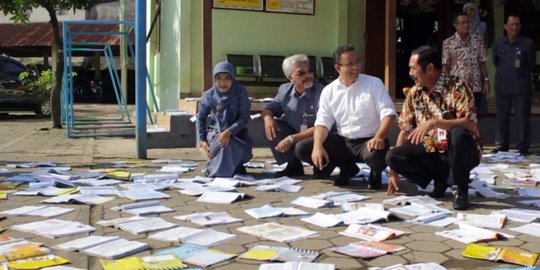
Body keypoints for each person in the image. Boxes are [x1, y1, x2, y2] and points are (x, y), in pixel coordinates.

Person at [386, 46, 481, 210]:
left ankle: (460, 190)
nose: (410, 73)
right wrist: (393, 172)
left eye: (413, 68)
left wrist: (435, 122)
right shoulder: (415, 93)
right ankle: (442, 179)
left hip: (459, 152)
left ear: (429, 68)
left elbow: (470, 124)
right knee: (393, 156)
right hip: (432, 150)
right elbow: (405, 129)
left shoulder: (457, 87)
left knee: (459, 134)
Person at [296, 45, 396, 188]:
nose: (355, 67)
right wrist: (318, 146)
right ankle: (347, 167)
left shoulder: (374, 83)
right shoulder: (329, 91)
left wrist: (379, 136)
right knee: (303, 148)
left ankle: (375, 173)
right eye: (350, 64)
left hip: (369, 141)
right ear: (338, 68)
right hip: (343, 142)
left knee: (376, 156)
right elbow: (323, 122)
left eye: (357, 62)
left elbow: (388, 113)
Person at [262, 54, 330, 178]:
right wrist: (268, 119)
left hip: (322, 136)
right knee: (273, 126)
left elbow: (323, 125)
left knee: (302, 147)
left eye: (309, 71)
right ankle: (293, 165)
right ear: (290, 78)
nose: (308, 76)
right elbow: (269, 108)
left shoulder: (322, 92)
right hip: (299, 131)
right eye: (301, 73)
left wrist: (292, 138)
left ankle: (325, 163)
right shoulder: (284, 90)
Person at [196, 61, 253, 177]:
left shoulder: (240, 92)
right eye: (218, 78)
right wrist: (202, 140)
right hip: (215, 135)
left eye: (227, 78)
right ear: (214, 79)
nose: (223, 82)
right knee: (223, 144)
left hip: (239, 135)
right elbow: (200, 118)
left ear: (232, 78)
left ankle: (214, 169)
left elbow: (244, 118)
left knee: (230, 144)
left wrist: (229, 132)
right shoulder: (208, 95)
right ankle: (232, 169)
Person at [492, 14, 535, 156]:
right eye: (511, 24)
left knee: (522, 119)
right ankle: (502, 146)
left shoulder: (527, 44)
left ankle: (523, 148)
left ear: (520, 26)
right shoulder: (498, 43)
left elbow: (531, 65)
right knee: (502, 119)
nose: (514, 27)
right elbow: (495, 62)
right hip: (502, 88)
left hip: (521, 88)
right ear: (505, 26)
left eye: (517, 24)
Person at [442, 11, 489, 117]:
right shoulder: (448, 43)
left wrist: (486, 80)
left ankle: (472, 133)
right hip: (457, 87)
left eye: (468, 22)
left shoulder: (478, 40)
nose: (467, 25)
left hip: (475, 86)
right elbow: (446, 66)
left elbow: (482, 61)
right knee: (458, 115)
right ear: (456, 26)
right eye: (463, 23)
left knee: (473, 116)